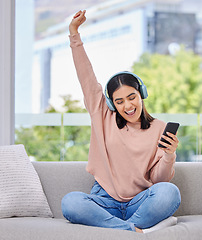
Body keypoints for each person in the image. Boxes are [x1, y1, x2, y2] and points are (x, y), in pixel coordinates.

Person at [61, 10, 181, 233]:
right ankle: (132, 232)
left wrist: (169, 155)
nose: (127, 106)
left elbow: (159, 180)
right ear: (111, 103)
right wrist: (74, 34)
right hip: (104, 201)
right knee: (70, 202)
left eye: (132, 97)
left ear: (141, 94)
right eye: (119, 101)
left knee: (170, 192)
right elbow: (86, 77)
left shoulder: (159, 128)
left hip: (141, 202)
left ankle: (117, 231)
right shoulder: (102, 115)